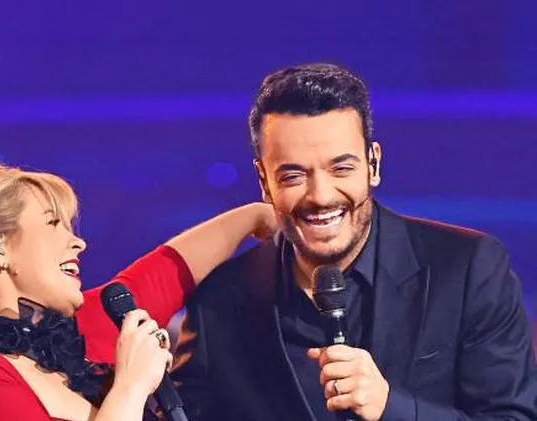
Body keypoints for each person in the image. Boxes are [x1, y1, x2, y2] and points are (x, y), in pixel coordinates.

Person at [171, 63, 537, 421]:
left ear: (372, 165)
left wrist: (391, 408)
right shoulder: (220, 301)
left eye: (341, 169)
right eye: (293, 175)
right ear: (264, 181)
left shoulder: (466, 270)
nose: (321, 195)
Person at [0, 159, 276, 421]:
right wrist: (130, 387)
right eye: (53, 224)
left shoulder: (77, 339)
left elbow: (167, 272)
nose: (78, 243)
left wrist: (256, 217)